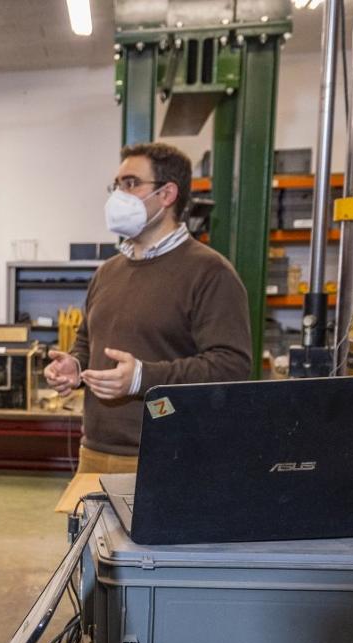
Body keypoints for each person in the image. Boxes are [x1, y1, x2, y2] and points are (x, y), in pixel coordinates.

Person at [43, 142, 252, 472]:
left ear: (167, 194)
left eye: (130, 184)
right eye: (117, 186)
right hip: (94, 451)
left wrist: (145, 377)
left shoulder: (210, 273)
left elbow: (231, 366)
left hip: (167, 458)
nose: (118, 197)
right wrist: (75, 366)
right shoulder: (108, 271)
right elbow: (87, 341)